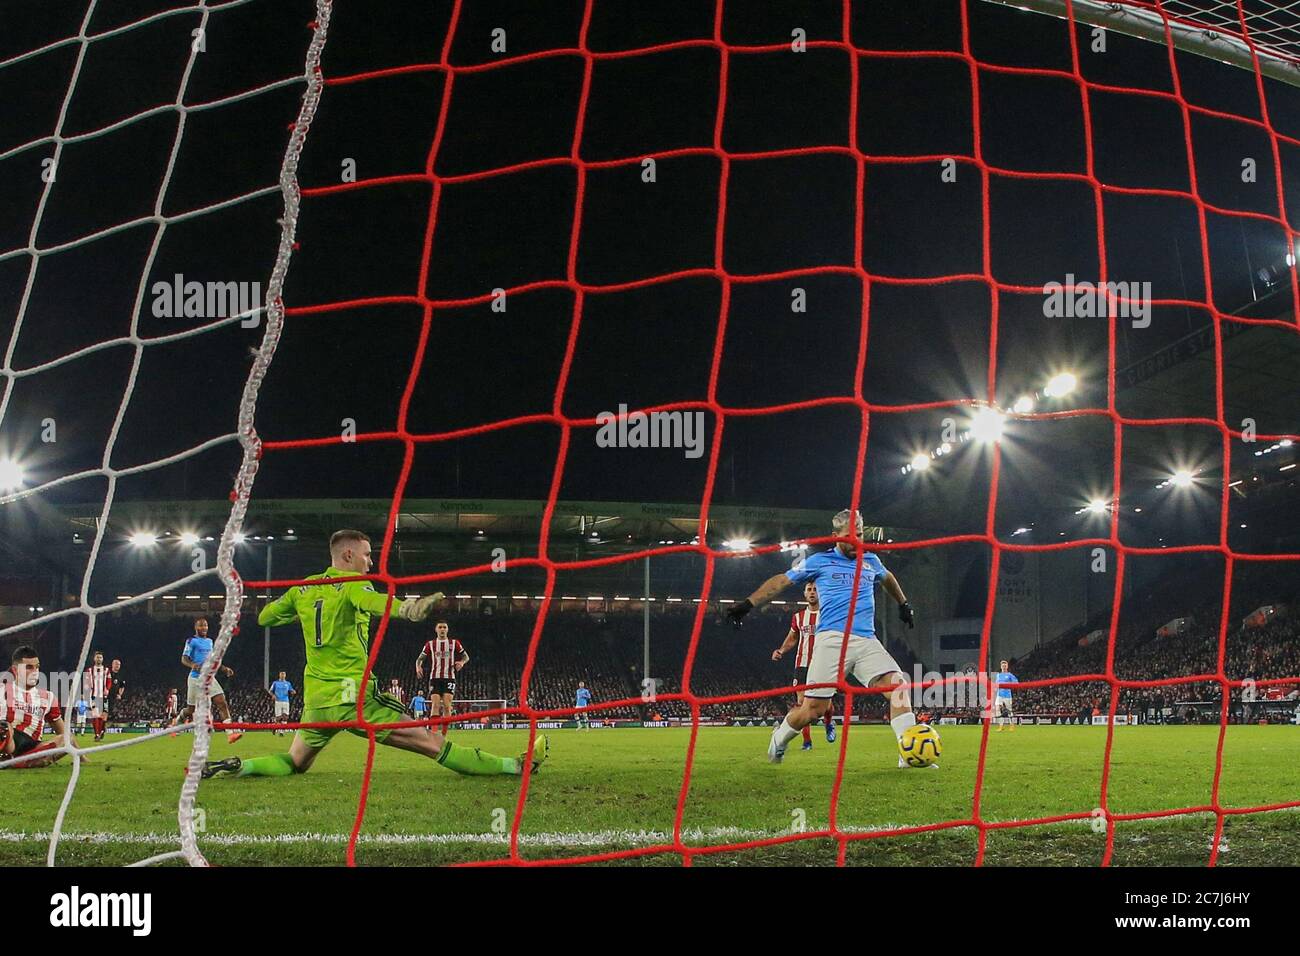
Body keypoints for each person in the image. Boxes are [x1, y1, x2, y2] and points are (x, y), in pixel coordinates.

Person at [202, 529, 545, 780]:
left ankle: (240, 765)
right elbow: (375, 602)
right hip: (355, 700)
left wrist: (300, 609)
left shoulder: (304, 588)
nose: (371, 561)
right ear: (348, 555)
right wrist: (408, 610)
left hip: (318, 702)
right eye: (367, 554)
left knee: (295, 762)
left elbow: (265, 618)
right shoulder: (354, 584)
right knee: (434, 742)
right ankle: (515, 766)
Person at [727, 509, 930, 768]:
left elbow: (888, 578)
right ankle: (779, 738)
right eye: (850, 536)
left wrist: (903, 604)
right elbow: (782, 581)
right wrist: (748, 604)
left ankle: (908, 754)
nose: (856, 540)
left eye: (859, 534)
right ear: (835, 536)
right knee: (813, 710)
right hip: (832, 640)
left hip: (867, 640)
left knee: (898, 687)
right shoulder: (819, 562)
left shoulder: (871, 561)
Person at [772, 581, 836, 750]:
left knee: (826, 703)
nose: (812, 592)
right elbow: (792, 638)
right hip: (802, 664)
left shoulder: (828, 614)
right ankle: (807, 741)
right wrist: (781, 650)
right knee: (802, 704)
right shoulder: (798, 617)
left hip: (823, 663)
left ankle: (829, 723)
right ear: (805, 594)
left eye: (815, 589)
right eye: (809, 589)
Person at [170, 617, 242, 744]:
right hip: (195, 678)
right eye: (201, 626)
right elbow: (184, 659)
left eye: (206, 625)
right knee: (190, 710)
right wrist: (192, 665)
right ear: (196, 627)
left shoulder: (209, 642)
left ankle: (230, 734)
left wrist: (224, 669)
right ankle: (180, 719)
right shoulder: (191, 641)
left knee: (221, 702)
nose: (204, 628)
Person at [1, 645, 71, 769]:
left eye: (37, 667)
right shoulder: (2, 690)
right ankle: (12, 758)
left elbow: (62, 732)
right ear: (15, 670)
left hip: (32, 746)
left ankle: (15, 762)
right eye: (29, 667)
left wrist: (82, 757)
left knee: (66, 739)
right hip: (8, 738)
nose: (35, 671)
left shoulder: (48, 697)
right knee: (4, 728)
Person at [416, 620, 468, 735]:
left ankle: (443, 735)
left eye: (444, 627)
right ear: (436, 629)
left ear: (447, 629)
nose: (442, 629)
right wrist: (418, 667)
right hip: (435, 678)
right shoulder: (430, 644)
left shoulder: (454, 643)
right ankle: (434, 734)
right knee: (435, 704)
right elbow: (419, 659)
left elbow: (466, 656)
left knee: (447, 706)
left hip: (449, 678)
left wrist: (462, 662)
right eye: (440, 627)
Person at [84, 651, 112, 741]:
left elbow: (109, 681)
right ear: (94, 658)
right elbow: (86, 682)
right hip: (94, 696)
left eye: (100, 657)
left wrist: (107, 689)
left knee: (103, 716)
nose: (99, 659)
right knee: (95, 715)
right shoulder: (89, 670)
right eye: (97, 657)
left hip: (104, 697)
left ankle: (102, 730)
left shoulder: (106, 670)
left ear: (102, 659)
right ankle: (97, 734)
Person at [267, 671, 297, 736]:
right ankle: (274, 727)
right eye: (281, 674)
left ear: (285, 675)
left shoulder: (288, 683)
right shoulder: (275, 683)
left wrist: (293, 691)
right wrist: (273, 695)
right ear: (279, 675)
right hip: (278, 701)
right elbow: (270, 691)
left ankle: (281, 732)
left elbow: (291, 690)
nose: (282, 675)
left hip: (286, 701)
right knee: (278, 718)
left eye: (284, 674)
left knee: (285, 717)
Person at [993, 659, 1018, 732]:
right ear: (1001, 667)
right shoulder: (998, 675)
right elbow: (996, 684)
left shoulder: (1010, 675)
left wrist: (1010, 685)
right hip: (999, 694)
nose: (1004, 667)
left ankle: (1012, 725)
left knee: (1009, 710)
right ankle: (1001, 726)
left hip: (1007, 695)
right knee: (997, 708)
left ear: (1007, 667)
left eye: (1005, 666)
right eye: (1002, 666)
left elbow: (1016, 682)